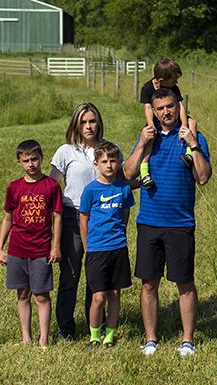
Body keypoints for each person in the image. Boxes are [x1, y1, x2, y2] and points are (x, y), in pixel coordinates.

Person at [123, 88, 212, 357]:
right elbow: (128, 175)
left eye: (170, 106)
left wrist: (193, 143)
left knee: (185, 282)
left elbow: (204, 177)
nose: (166, 112)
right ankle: (151, 339)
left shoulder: (191, 137)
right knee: (149, 283)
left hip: (180, 222)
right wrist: (141, 143)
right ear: (154, 110)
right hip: (149, 222)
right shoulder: (148, 138)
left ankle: (187, 340)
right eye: (160, 108)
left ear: (178, 106)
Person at [0, 139, 63, 347]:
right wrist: (0, 247)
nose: (31, 164)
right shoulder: (14, 187)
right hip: (17, 249)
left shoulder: (51, 186)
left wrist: (56, 246)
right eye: (26, 161)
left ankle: (43, 338)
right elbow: (7, 218)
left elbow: (57, 216)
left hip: (41, 249)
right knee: (23, 293)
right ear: (19, 162)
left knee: (41, 296)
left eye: (34, 159)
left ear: (42, 158)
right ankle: (26, 337)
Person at [49, 102, 105, 340]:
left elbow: (121, 180)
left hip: (101, 219)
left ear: (98, 123)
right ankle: (66, 328)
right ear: (76, 125)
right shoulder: (66, 151)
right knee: (70, 275)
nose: (88, 126)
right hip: (72, 217)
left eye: (92, 121)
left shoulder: (107, 150)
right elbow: (51, 188)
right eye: (83, 122)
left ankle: (96, 326)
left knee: (97, 276)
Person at [79, 140, 136, 348]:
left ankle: (110, 335)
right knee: (98, 296)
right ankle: (94, 335)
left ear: (119, 162)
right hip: (96, 249)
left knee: (114, 294)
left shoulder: (123, 189)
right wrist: (87, 247)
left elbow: (125, 214)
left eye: (113, 160)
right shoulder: (90, 190)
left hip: (118, 248)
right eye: (104, 161)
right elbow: (83, 220)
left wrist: (120, 234)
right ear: (96, 164)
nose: (109, 165)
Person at [138, 57, 199, 189]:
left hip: (174, 118)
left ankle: (189, 153)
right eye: (174, 80)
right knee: (149, 139)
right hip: (155, 119)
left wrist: (184, 124)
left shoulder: (174, 89)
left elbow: (180, 105)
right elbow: (148, 107)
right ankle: (144, 171)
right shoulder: (147, 88)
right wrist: (151, 124)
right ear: (161, 81)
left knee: (192, 123)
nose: (176, 82)